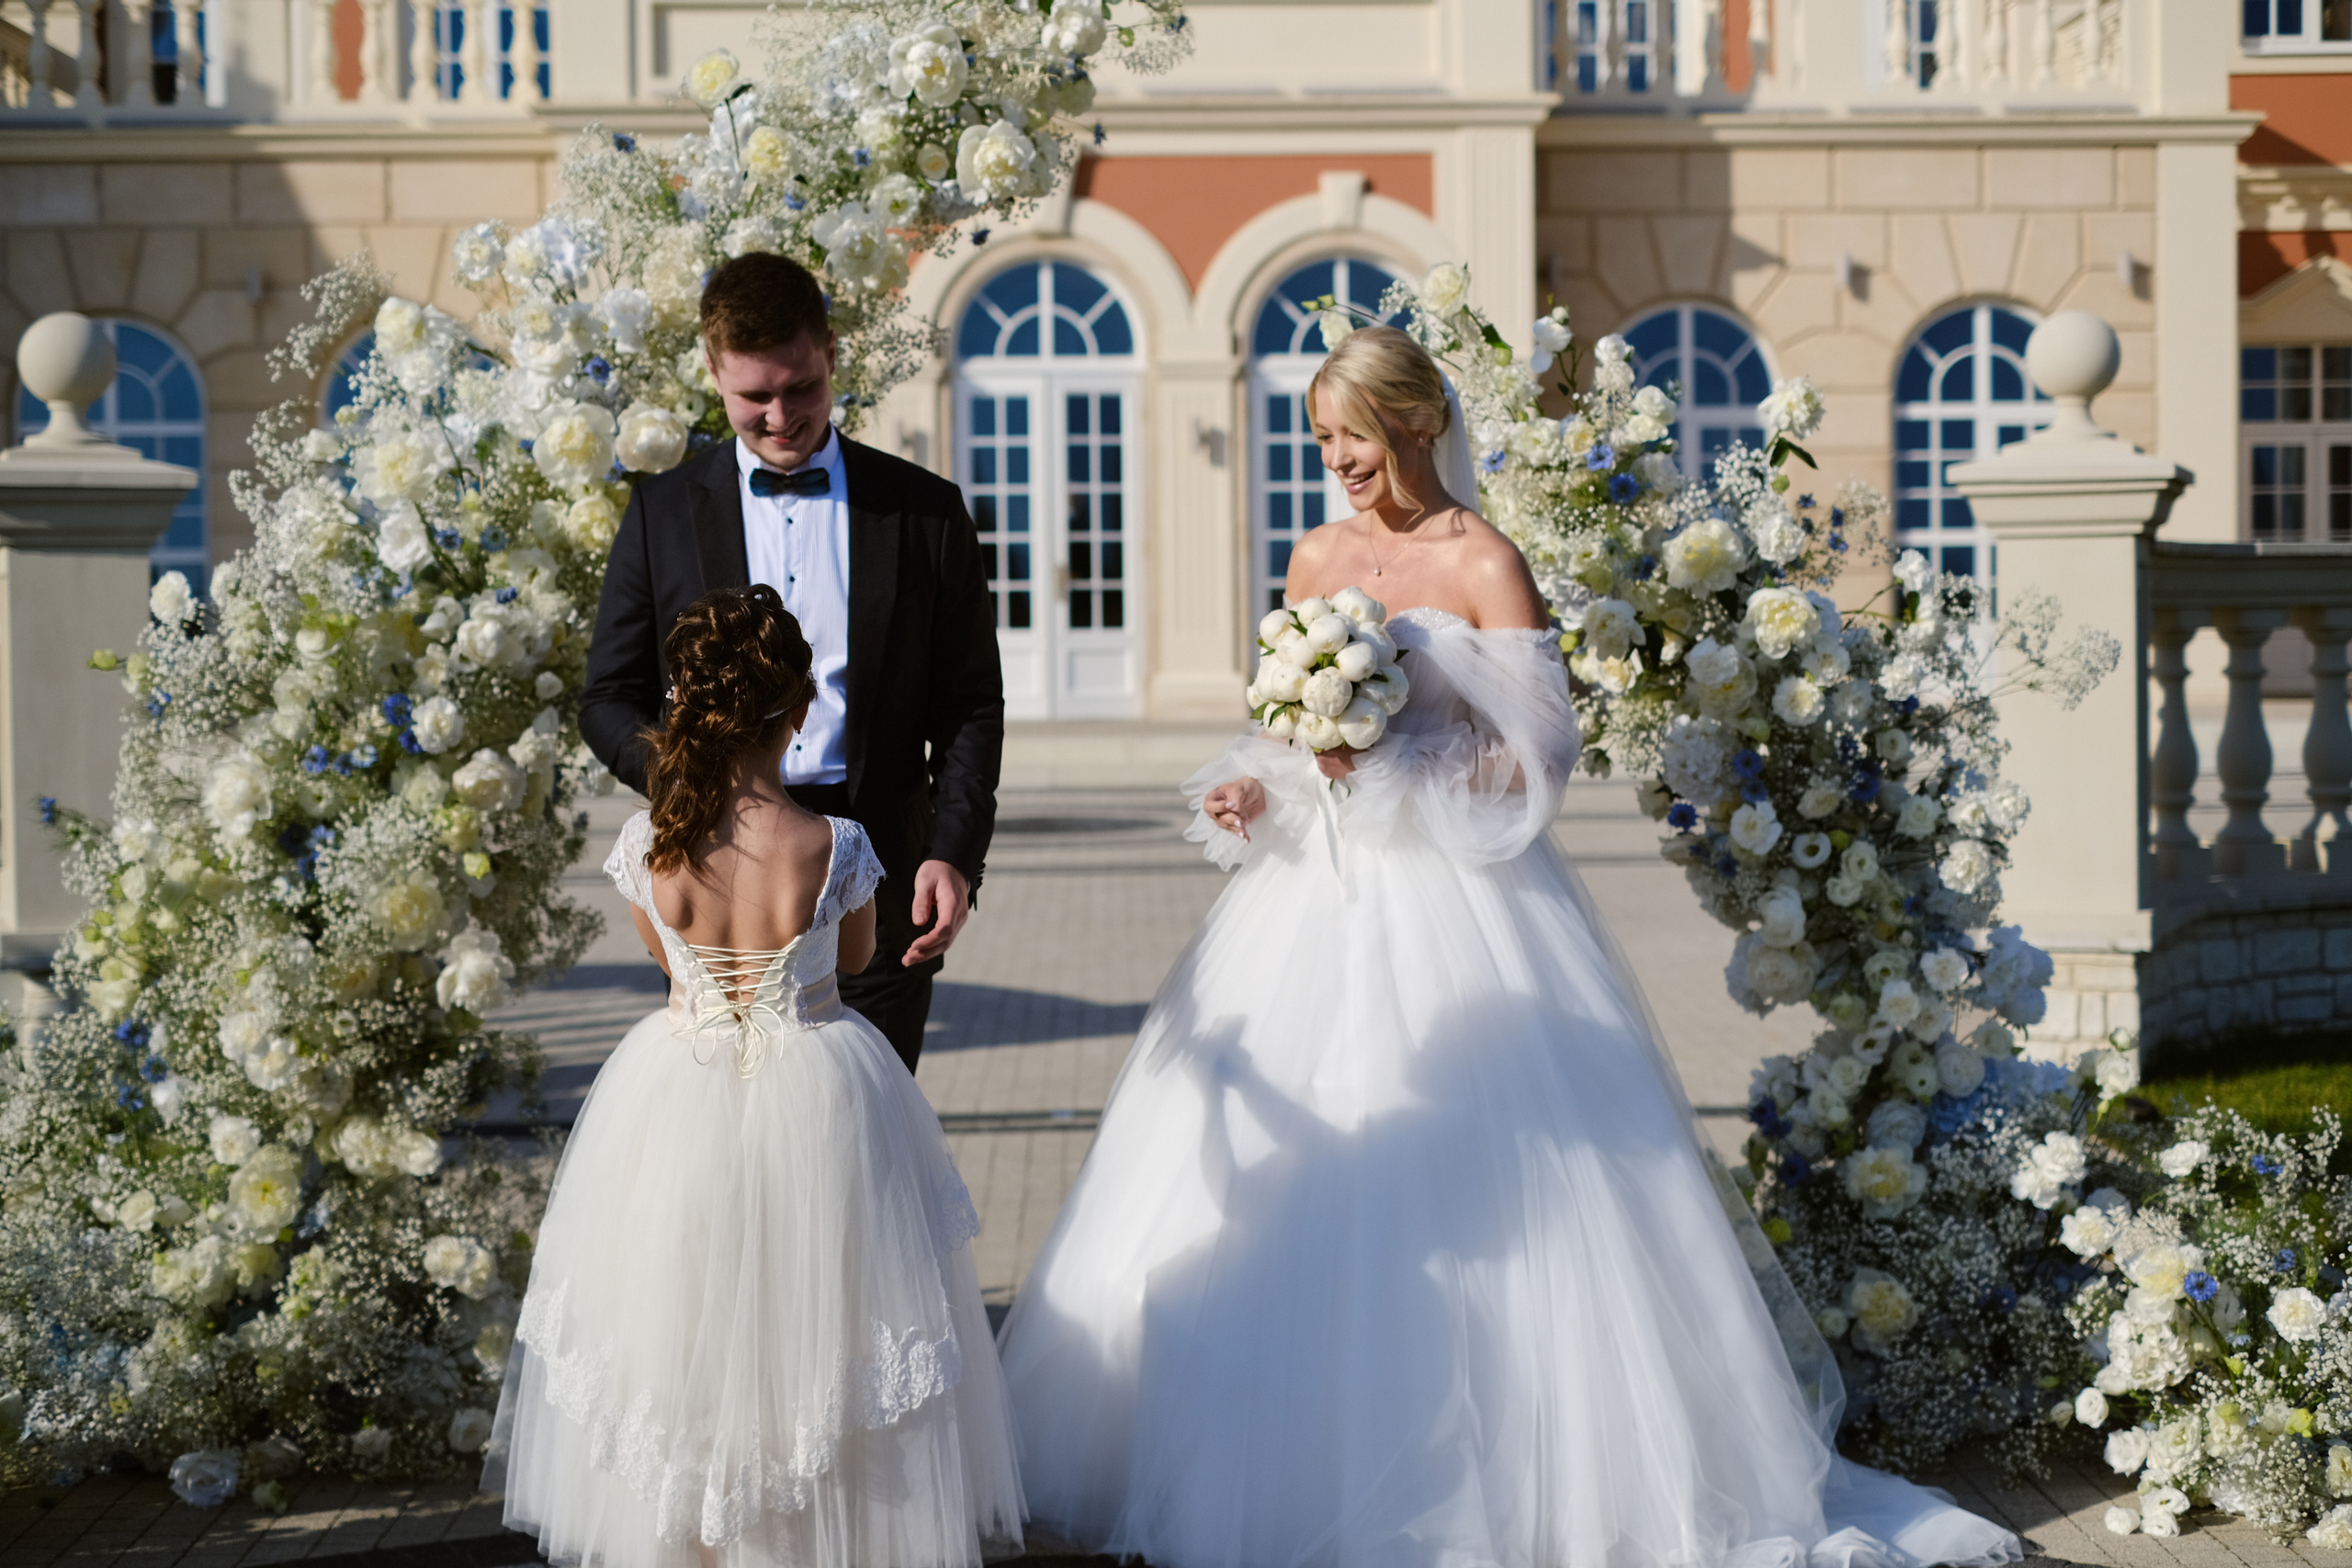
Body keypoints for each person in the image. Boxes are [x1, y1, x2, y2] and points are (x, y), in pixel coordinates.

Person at [996, 327, 2021, 1568]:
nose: (1338, 461)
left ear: (1418, 423)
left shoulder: (1485, 561)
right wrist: (1256, 784)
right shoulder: (1315, 554)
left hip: (1457, 908)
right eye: (1322, 439)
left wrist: (1394, 761)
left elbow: (1540, 753)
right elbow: (1280, 729)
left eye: (1356, 436)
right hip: (1311, 903)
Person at [487, 585, 1023, 1568]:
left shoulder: (647, 847)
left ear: (688, 708)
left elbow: (670, 963)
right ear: (800, 710)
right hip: (821, 1094)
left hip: (673, 1097)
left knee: (682, 1332)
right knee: (820, 1334)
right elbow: (853, 957)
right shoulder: (836, 845)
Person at [582, 252, 1003, 1075]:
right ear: (713, 373)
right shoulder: (661, 513)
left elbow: (970, 705)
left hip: (880, 876)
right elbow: (607, 697)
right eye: (755, 396)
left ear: (832, 354)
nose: (780, 417)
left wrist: (953, 851)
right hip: (717, 884)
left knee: (866, 1132)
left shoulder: (925, 511)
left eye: (801, 387)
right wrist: (695, 781)